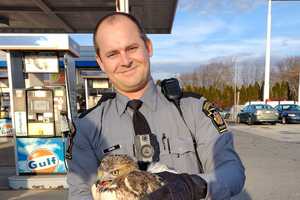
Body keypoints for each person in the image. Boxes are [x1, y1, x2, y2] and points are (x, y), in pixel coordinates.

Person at [67, 12, 245, 200]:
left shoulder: (194, 109)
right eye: (112, 54)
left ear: (148, 47)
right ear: (101, 63)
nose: (125, 61)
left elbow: (232, 172)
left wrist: (193, 185)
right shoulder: (86, 127)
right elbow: (80, 193)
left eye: (132, 48)